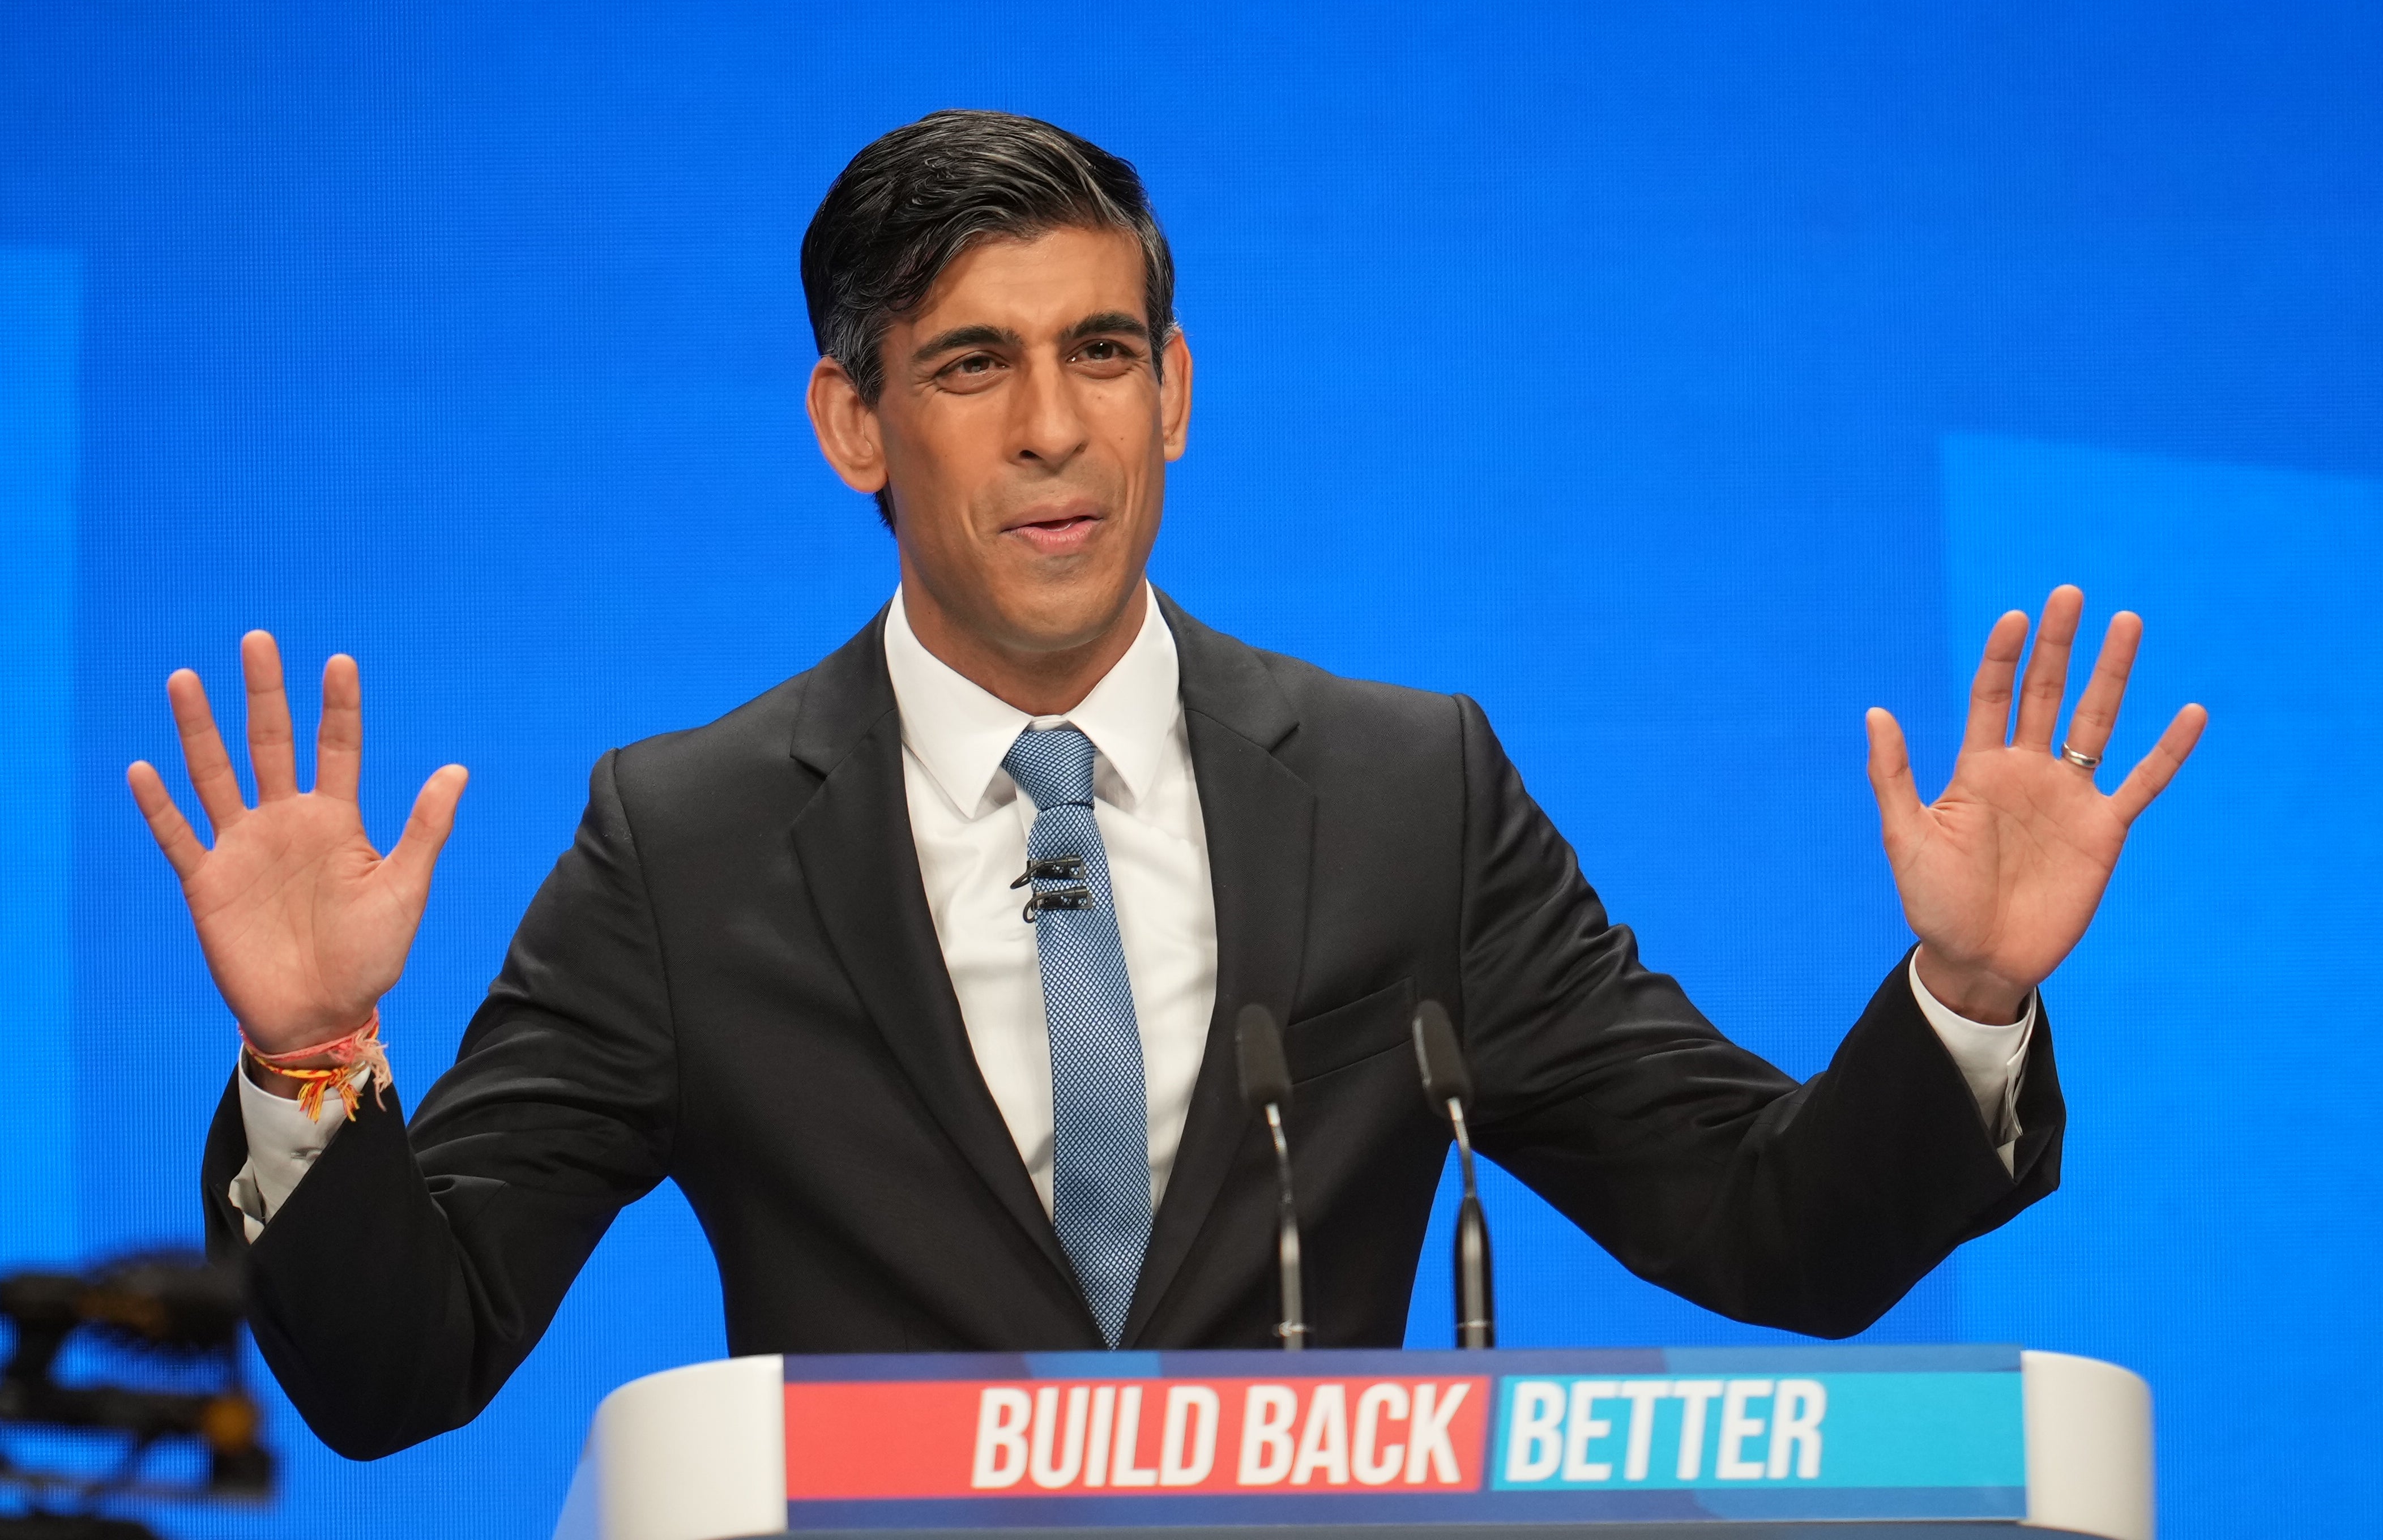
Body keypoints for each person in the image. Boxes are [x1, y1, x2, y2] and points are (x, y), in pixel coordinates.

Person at [128, 110, 2205, 1460]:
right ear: (851, 422)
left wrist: (1966, 1000)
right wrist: (311, 1058)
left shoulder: (1409, 791)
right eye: (973, 366)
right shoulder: (686, 842)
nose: (1055, 430)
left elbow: (1774, 1232)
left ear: (1178, 391)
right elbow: (407, 1370)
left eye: (1105, 352)